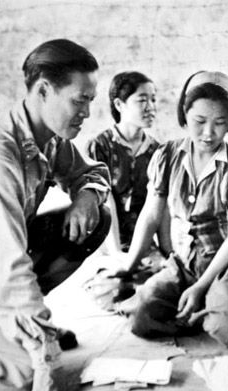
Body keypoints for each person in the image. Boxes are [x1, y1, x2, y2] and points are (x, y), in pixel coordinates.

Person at [0, 39, 111, 391]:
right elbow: (5, 267)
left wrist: (87, 195)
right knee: (23, 374)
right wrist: (42, 345)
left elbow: (92, 172)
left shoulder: (48, 139)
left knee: (99, 218)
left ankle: (16, 325)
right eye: (79, 101)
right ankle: (12, 328)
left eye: (89, 102)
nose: (86, 113)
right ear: (44, 90)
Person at [98, 70, 228, 348]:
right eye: (199, 121)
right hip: (186, 260)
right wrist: (128, 266)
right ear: (184, 114)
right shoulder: (167, 156)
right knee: (141, 317)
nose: (208, 133)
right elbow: (151, 215)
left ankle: (218, 305)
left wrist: (201, 286)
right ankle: (206, 310)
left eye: (220, 122)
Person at [86, 71, 160, 254]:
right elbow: (104, 201)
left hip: (143, 247)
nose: (150, 107)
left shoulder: (157, 151)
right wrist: (116, 253)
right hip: (104, 244)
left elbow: (159, 207)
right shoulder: (99, 146)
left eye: (153, 99)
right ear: (119, 104)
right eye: (142, 100)